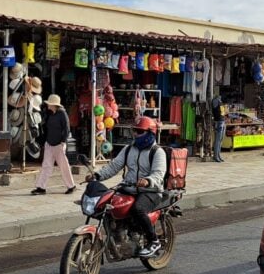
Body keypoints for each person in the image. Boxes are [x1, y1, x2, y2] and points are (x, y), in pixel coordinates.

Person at [85, 116, 167, 257]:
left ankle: (154, 241)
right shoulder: (129, 149)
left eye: (139, 131)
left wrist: (147, 181)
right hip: (129, 187)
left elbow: (159, 174)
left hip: (151, 190)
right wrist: (97, 176)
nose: (135, 134)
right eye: (134, 130)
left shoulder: (157, 152)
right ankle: (118, 233)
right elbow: (114, 166)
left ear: (150, 132)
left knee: (138, 209)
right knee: (107, 203)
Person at [32, 94, 76, 195]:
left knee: (64, 166)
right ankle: (41, 187)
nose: (48, 105)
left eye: (49, 104)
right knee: (46, 165)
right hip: (49, 143)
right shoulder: (50, 114)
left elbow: (66, 129)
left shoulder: (62, 114)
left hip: (58, 144)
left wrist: (63, 142)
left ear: (54, 105)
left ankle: (71, 186)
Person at [211, 94, 227, 162]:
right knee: (217, 140)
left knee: (220, 140)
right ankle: (215, 156)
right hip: (218, 122)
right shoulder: (215, 100)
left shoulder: (220, 101)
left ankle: (218, 155)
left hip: (222, 121)